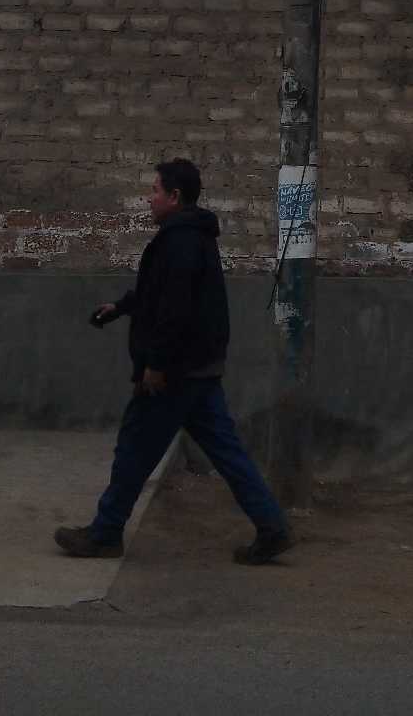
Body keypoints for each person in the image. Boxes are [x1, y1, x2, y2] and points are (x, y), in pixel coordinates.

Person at [54, 157, 292, 566]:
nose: (149, 199)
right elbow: (158, 292)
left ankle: (105, 533)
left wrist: (157, 364)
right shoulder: (191, 236)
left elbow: (175, 308)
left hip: (175, 373)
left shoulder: (180, 241)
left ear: (175, 196)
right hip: (199, 369)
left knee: (134, 449)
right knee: (228, 453)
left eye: (155, 191)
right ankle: (272, 527)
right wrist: (121, 307)